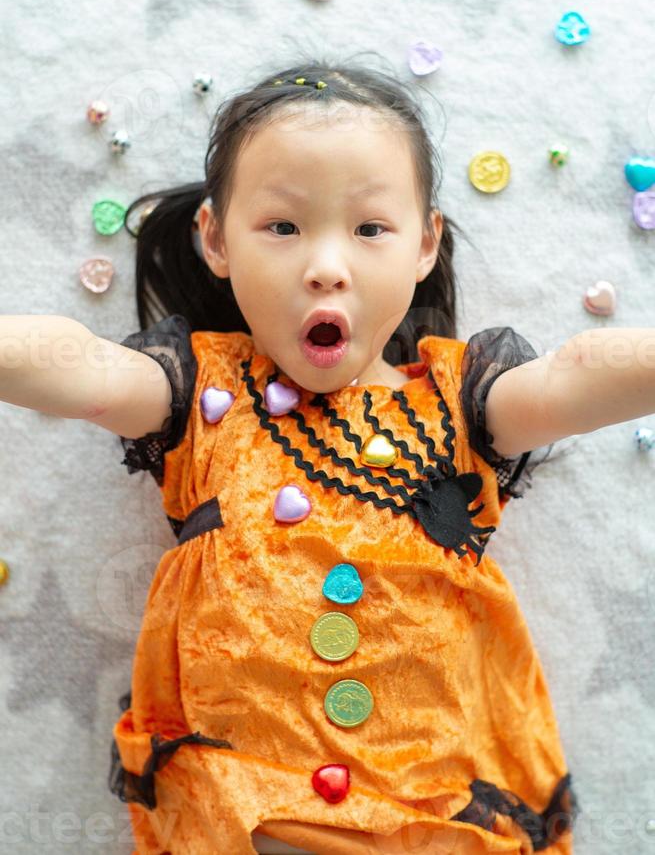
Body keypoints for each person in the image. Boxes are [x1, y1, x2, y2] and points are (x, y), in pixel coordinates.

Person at [4, 58, 655, 855]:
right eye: (281, 227)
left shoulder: (460, 401)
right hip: (251, 808)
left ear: (424, 244)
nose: (325, 265)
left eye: (369, 229)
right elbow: (78, 368)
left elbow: (576, 376)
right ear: (214, 239)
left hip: (432, 804)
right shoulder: (199, 390)